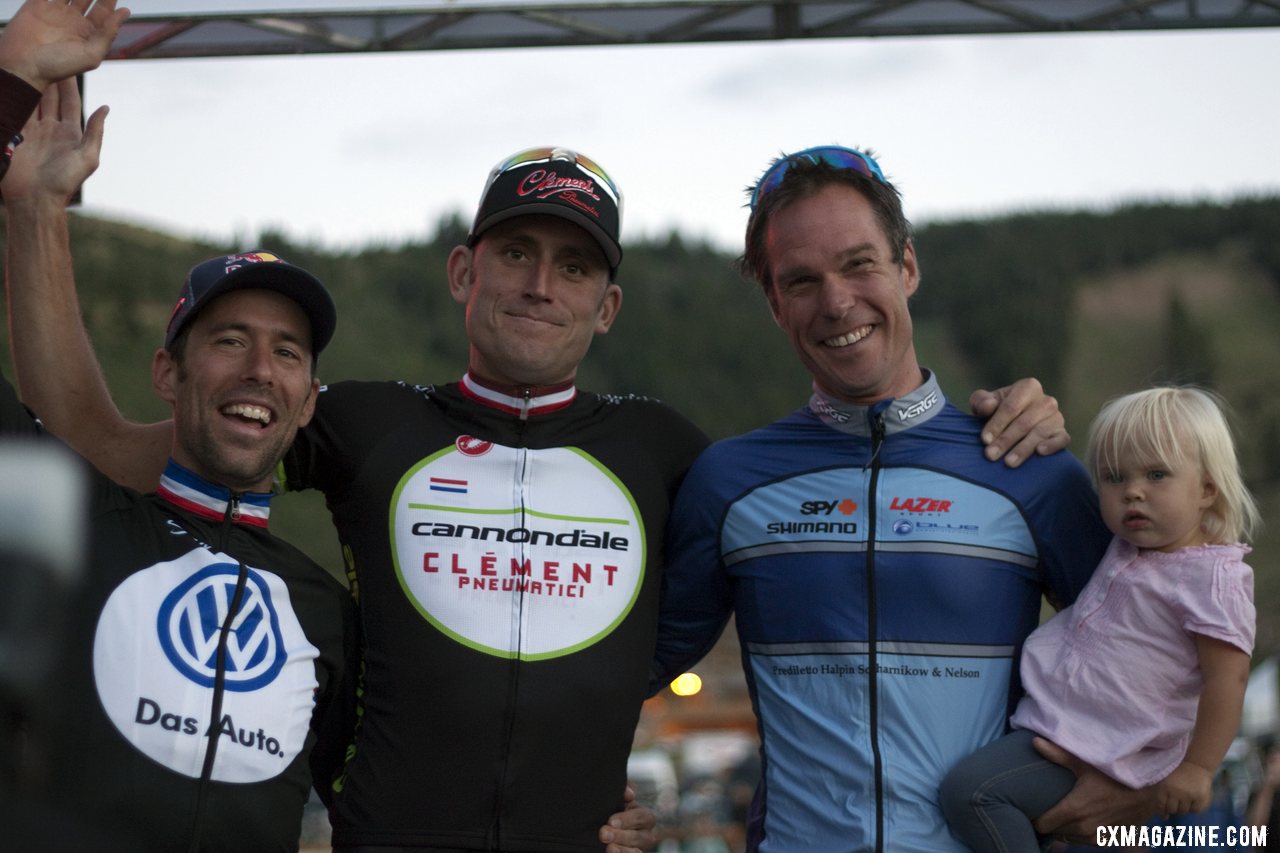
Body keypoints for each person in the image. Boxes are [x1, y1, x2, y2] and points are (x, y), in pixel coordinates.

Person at [4, 100, 1068, 850]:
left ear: (606, 307)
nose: (537, 285)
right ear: (464, 272)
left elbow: (827, 530)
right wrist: (36, 212)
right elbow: (100, 434)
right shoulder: (366, 421)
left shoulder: (671, 453)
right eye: (513, 252)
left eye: (572, 265)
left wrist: (991, 417)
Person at [650, 145, 1118, 852]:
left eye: (859, 263)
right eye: (801, 280)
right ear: (776, 304)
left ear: (907, 266)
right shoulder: (728, 481)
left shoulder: (1028, 468)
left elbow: (1148, 652)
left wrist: (1129, 806)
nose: (837, 302)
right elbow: (623, 668)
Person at [2, 159, 356, 853]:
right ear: (168, 372)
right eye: (230, 340)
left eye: (287, 352)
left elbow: (402, 793)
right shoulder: (75, 522)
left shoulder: (328, 613)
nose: (259, 368)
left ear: (308, 399)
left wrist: (606, 813)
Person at [941, 386, 1258, 852]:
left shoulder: (1211, 577)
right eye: (1112, 478)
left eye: (1156, 475)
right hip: (1061, 731)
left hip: (1103, 752)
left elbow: (1228, 679)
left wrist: (1197, 768)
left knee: (972, 793)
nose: (1132, 491)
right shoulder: (1129, 549)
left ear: (1207, 489)